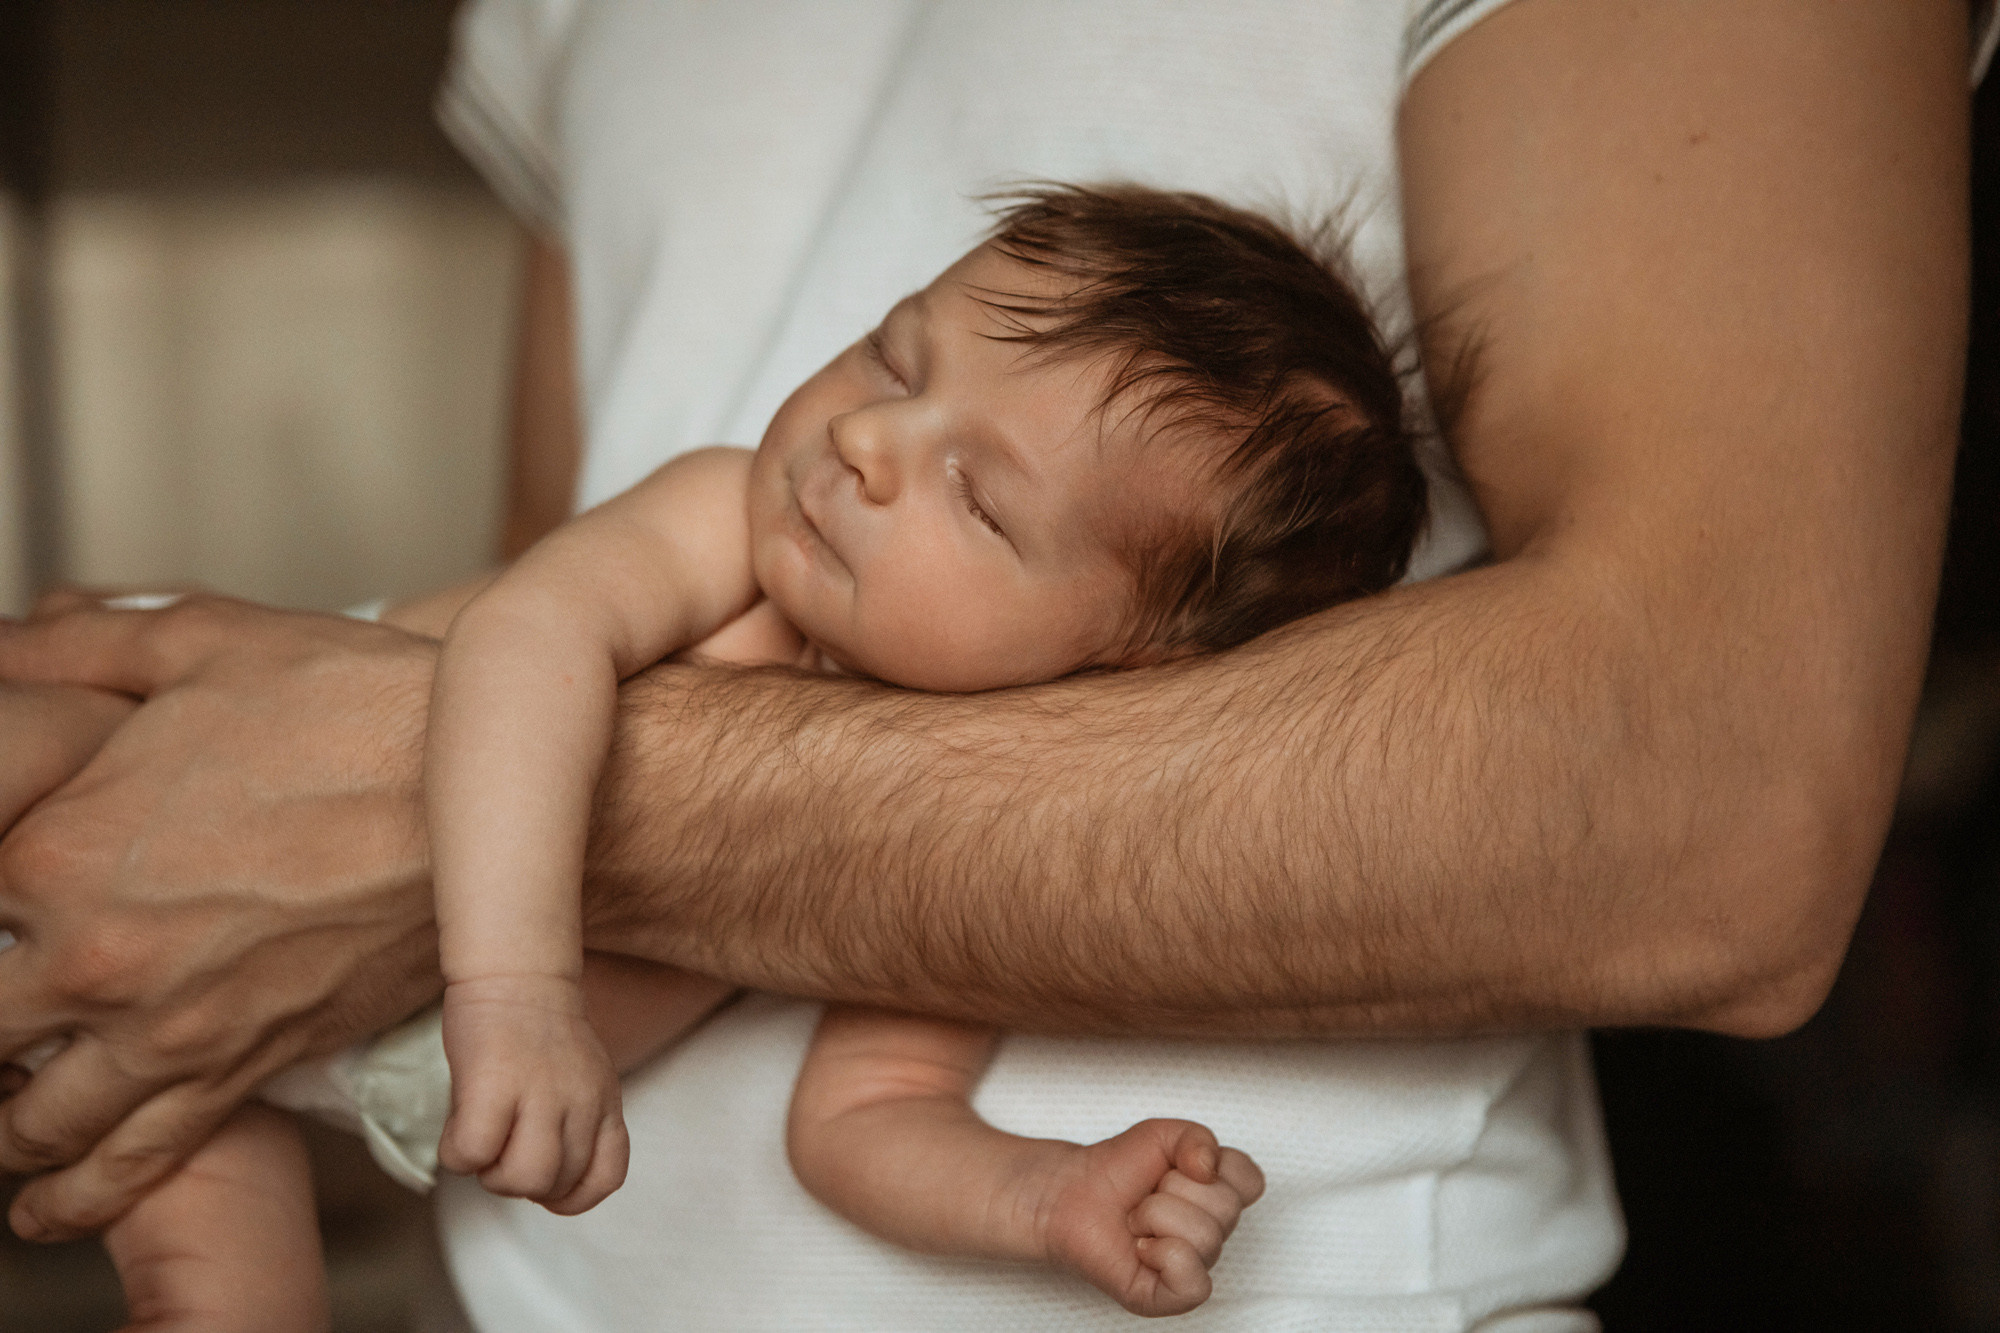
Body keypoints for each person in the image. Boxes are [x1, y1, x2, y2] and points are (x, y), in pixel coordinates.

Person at [0, 2, 1985, 1328]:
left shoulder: (975, 863)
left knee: (207, 1236)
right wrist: (514, 991)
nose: (869, 437)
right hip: (237, 841)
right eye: (894, 351)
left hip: (345, 1052)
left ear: (1117, 662)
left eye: (980, 493)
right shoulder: (723, 525)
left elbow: (858, 1121)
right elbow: (525, 625)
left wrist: (1051, 1196)